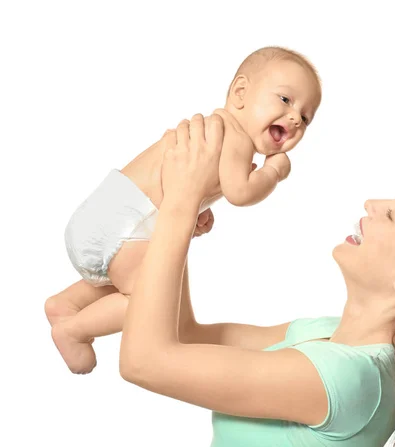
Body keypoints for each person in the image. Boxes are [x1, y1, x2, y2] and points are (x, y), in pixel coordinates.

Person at [119, 115, 395, 447]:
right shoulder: (326, 337)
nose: (372, 204)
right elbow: (186, 336)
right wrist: (180, 223)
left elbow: (144, 362)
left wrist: (180, 201)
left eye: (393, 213)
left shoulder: (348, 379)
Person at [44, 46, 322, 374]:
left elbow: (178, 187)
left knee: (132, 277)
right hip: (129, 221)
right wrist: (274, 172)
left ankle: (67, 304)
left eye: (305, 117)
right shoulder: (235, 135)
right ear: (241, 92)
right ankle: (73, 330)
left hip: (113, 211)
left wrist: (197, 212)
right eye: (286, 100)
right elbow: (240, 192)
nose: (295, 118)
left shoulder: (210, 131)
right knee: (150, 301)